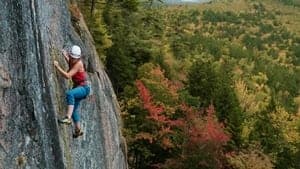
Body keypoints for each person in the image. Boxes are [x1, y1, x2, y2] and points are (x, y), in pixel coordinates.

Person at [54, 45, 90, 138]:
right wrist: (65, 55)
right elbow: (71, 63)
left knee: (70, 93)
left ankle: (68, 118)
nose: (72, 59)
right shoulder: (73, 60)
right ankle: (78, 129)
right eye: (71, 57)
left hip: (84, 88)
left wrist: (58, 67)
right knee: (74, 110)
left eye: (74, 58)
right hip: (80, 87)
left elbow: (68, 76)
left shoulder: (79, 63)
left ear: (78, 58)